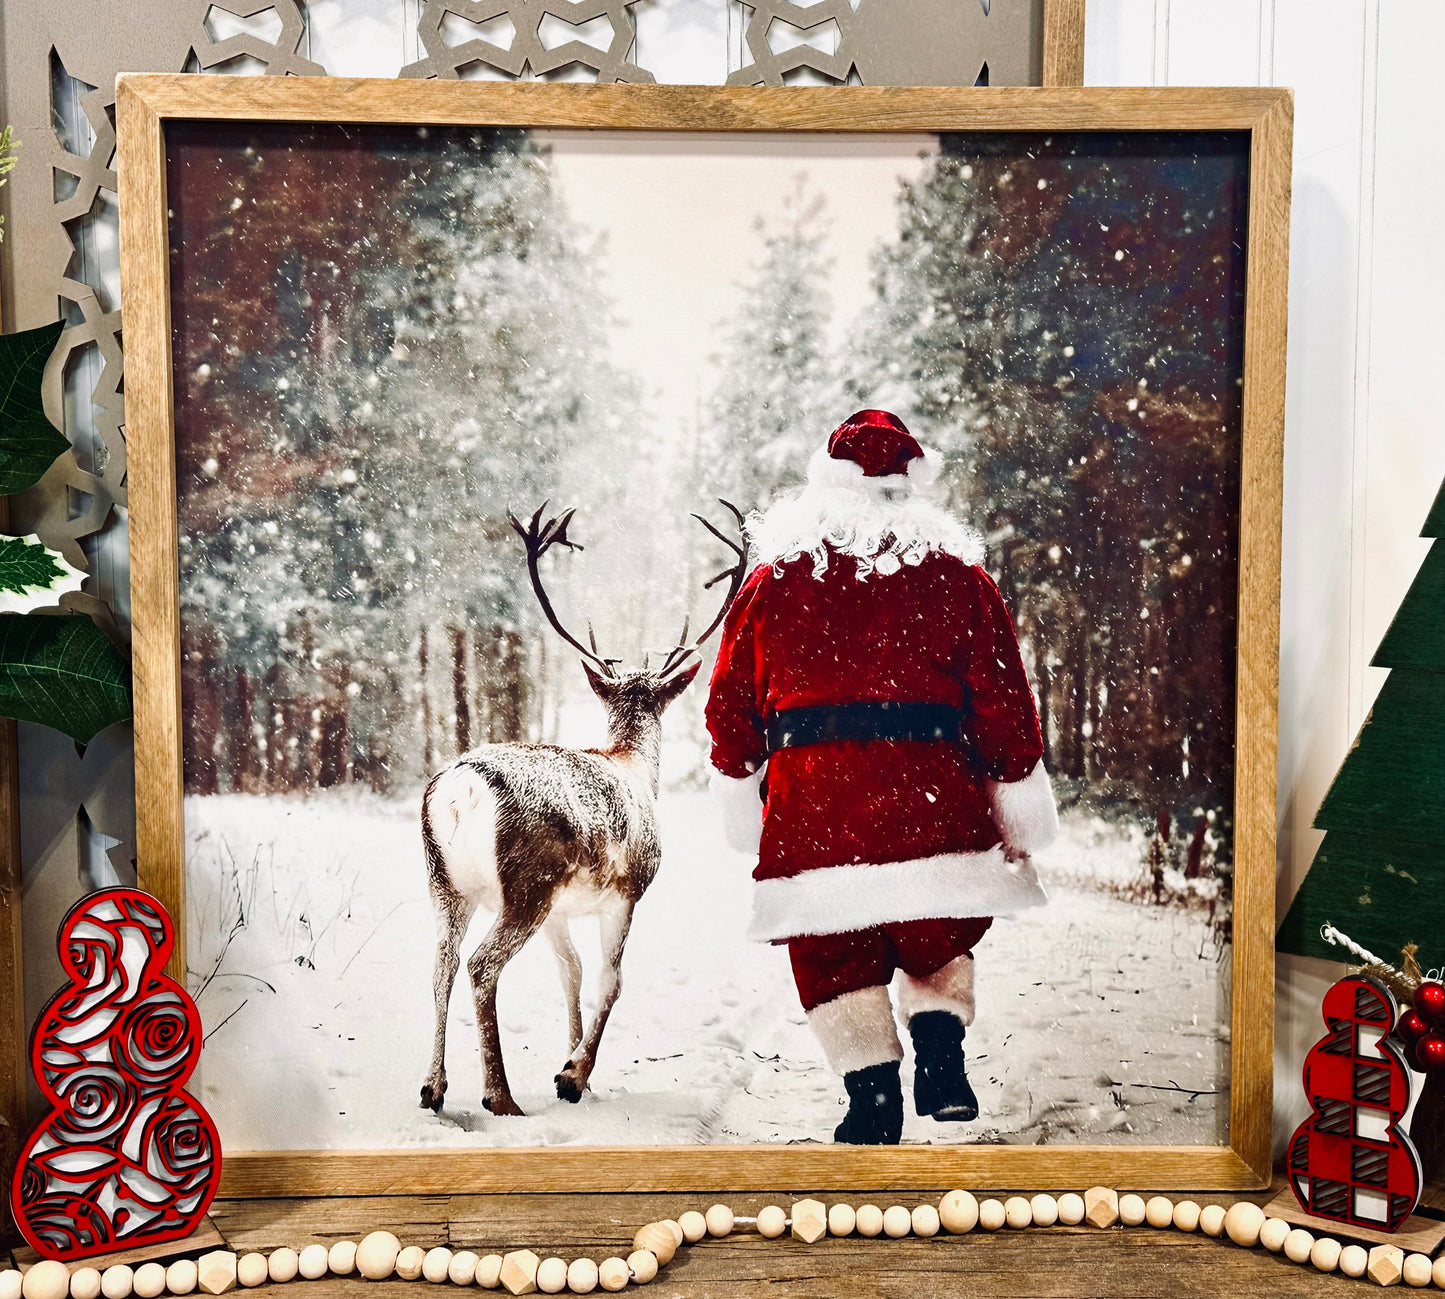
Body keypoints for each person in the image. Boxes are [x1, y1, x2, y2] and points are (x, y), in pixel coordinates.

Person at [705, 409, 1058, 1144]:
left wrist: (739, 773)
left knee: (833, 943)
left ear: (824, 491)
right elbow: (1002, 696)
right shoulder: (960, 579)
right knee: (934, 924)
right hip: (930, 790)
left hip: (816, 800)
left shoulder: (772, 583)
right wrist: (1015, 784)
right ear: (910, 491)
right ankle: (938, 1052)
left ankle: (870, 1098)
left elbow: (731, 700)